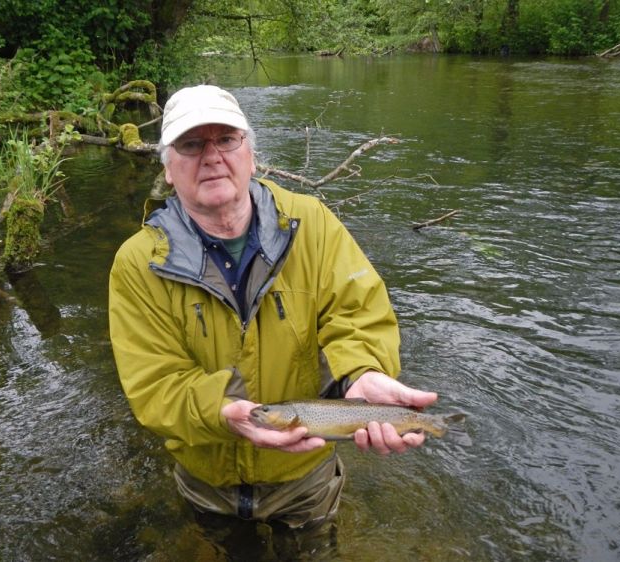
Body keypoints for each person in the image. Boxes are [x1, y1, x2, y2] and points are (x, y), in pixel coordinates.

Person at [109, 85, 437, 531]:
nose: (211, 156)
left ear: (251, 154)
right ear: (168, 169)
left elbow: (357, 314)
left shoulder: (313, 223)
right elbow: (153, 382)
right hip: (205, 479)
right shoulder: (137, 262)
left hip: (305, 478)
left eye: (226, 139)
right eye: (191, 144)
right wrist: (223, 414)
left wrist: (364, 372)